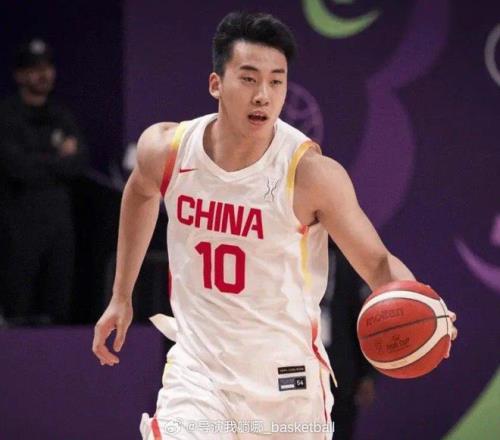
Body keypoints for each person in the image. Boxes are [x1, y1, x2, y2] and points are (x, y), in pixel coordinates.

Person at [92, 11, 458, 440]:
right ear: (216, 84)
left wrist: (424, 306)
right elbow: (139, 193)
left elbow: (377, 263)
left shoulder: (310, 174)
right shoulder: (167, 149)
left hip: (286, 382)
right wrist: (121, 295)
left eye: (276, 81)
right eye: (248, 79)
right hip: (200, 370)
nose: (263, 95)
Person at [0, 39, 86, 325]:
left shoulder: (61, 116)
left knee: (57, 307)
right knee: (17, 309)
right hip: (17, 224)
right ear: (19, 75)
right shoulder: (7, 116)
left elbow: (78, 163)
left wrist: (39, 159)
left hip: (59, 225)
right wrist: (56, 158)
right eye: (34, 68)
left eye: (47, 67)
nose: (42, 74)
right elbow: (15, 166)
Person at [321, 243, 376, 440]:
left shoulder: (349, 263)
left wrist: (367, 374)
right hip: (300, 365)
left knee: (341, 430)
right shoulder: (291, 258)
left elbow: (363, 320)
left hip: (342, 368)